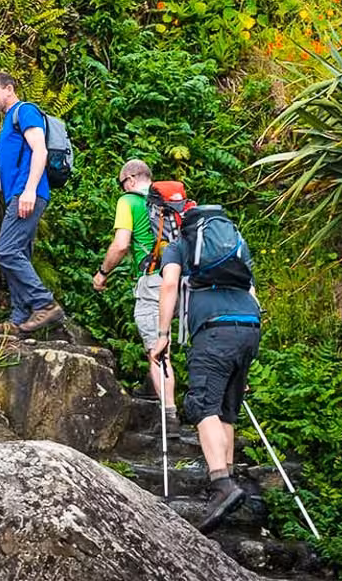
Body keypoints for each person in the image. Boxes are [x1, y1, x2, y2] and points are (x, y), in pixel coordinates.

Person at [148, 203, 261, 534]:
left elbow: (169, 285)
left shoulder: (180, 245)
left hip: (213, 330)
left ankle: (222, 485)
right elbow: (252, 291)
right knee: (226, 411)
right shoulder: (236, 247)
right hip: (249, 327)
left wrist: (162, 335)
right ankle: (227, 478)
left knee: (202, 405)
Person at [0, 72, 62, 335]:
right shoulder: (10, 120)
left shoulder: (25, 111)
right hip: (18, 193)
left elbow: (40, 151)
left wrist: (29, 191)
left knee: (6, 251)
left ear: (9, 89)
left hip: (27, 195)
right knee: (18, 254)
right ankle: (19, 320)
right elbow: (14, 171)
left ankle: (45, 304)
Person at [94, 158, 174, 412]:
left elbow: (120, 245)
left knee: (158, 349)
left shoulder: (128, 201)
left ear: (130, 180)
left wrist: (102, 272)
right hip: (182, 279)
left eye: (122, 185)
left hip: (154, 280)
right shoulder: (171, 201)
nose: (123, 189)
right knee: (166, 340)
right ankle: (155, 388)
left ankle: (169, 413)